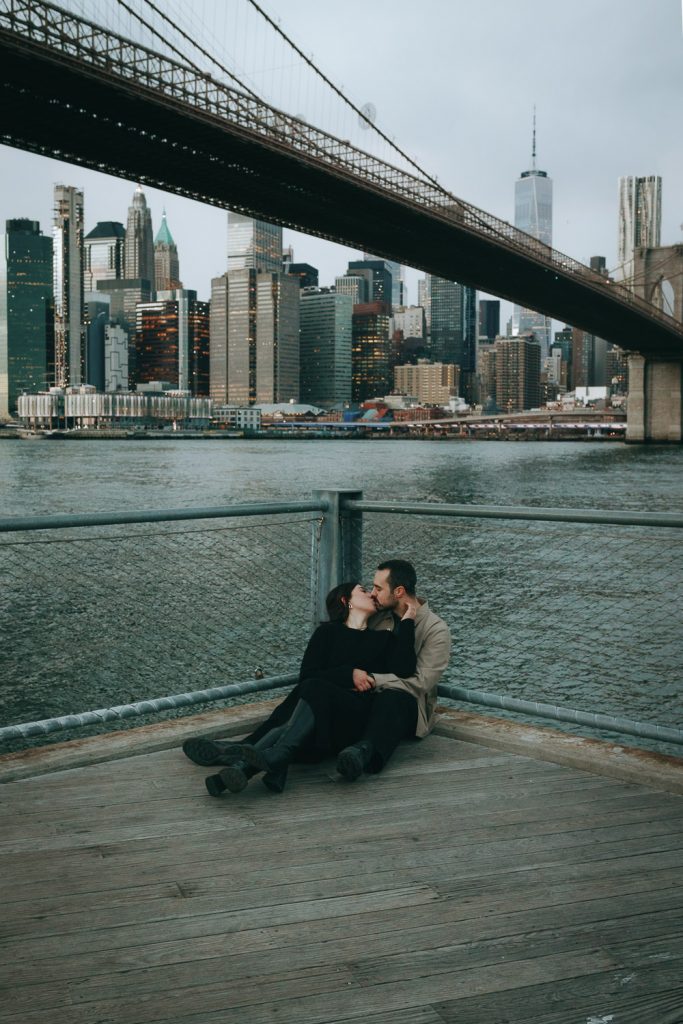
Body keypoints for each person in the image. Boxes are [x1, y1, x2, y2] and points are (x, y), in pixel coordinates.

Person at [183, 558, 451, 789]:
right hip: (345, 700)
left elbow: (417, 679)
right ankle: (258, 756)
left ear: (399, 591)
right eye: (368, 589)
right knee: (310, 690)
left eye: (378, 588)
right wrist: (351, 675)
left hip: (396, 702)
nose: (373, 593)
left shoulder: (432, 629)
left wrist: (401, 633)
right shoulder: (372, 621)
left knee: (326, 692)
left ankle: (252, 755)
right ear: (347, 602)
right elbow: (313, 674)